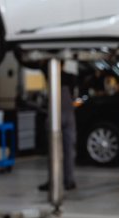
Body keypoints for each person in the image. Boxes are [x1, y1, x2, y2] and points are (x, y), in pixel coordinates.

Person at [39, 62, 77, 191]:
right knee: (66, 151)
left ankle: (59, 181)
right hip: (66, 114)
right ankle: (67, 181)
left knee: (58, 151)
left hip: (59, 114)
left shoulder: (50, 73)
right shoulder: (71, 76)